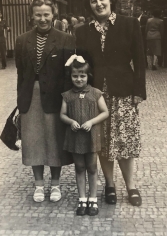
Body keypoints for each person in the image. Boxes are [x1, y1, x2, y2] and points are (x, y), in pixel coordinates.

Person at [76, 0, 146, 207]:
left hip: (124, 92)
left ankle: (131, 186)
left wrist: (139, 91)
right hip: (97, 95)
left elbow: (140, 59)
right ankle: (109, 184)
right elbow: (81, 65)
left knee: (125, 141)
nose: (98, 4)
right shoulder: (83, 31)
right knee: (103, 142)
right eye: (93, 1)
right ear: (89, 6)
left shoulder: (130, 24)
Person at [15, 0, 75, 203]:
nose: (42, 19)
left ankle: (56, 184)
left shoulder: (66, 39)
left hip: (56, 96)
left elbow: (69, 73)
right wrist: (20, 101)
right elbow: (20, 74)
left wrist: (68, 102)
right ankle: (39, 185)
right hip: (31, 96)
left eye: (46, 14)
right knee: (33, 140)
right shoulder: (22, 40)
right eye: (38, 14)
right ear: (32, 16)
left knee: (54, 139)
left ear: (53, 14)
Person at [60, 56, 109, 216]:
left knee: (92, 167)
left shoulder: (96, 93)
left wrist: (91, 122)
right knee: (79, 167)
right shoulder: (67, 95)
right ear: (71, 76)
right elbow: (62, 115)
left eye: (82, 76)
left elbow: (105, 112)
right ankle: (82, 198)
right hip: (75, 137)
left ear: (88, 76)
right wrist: (70, 121)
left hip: (91, 136)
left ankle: (92, 198)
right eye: (75, 76)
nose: (79, 79)